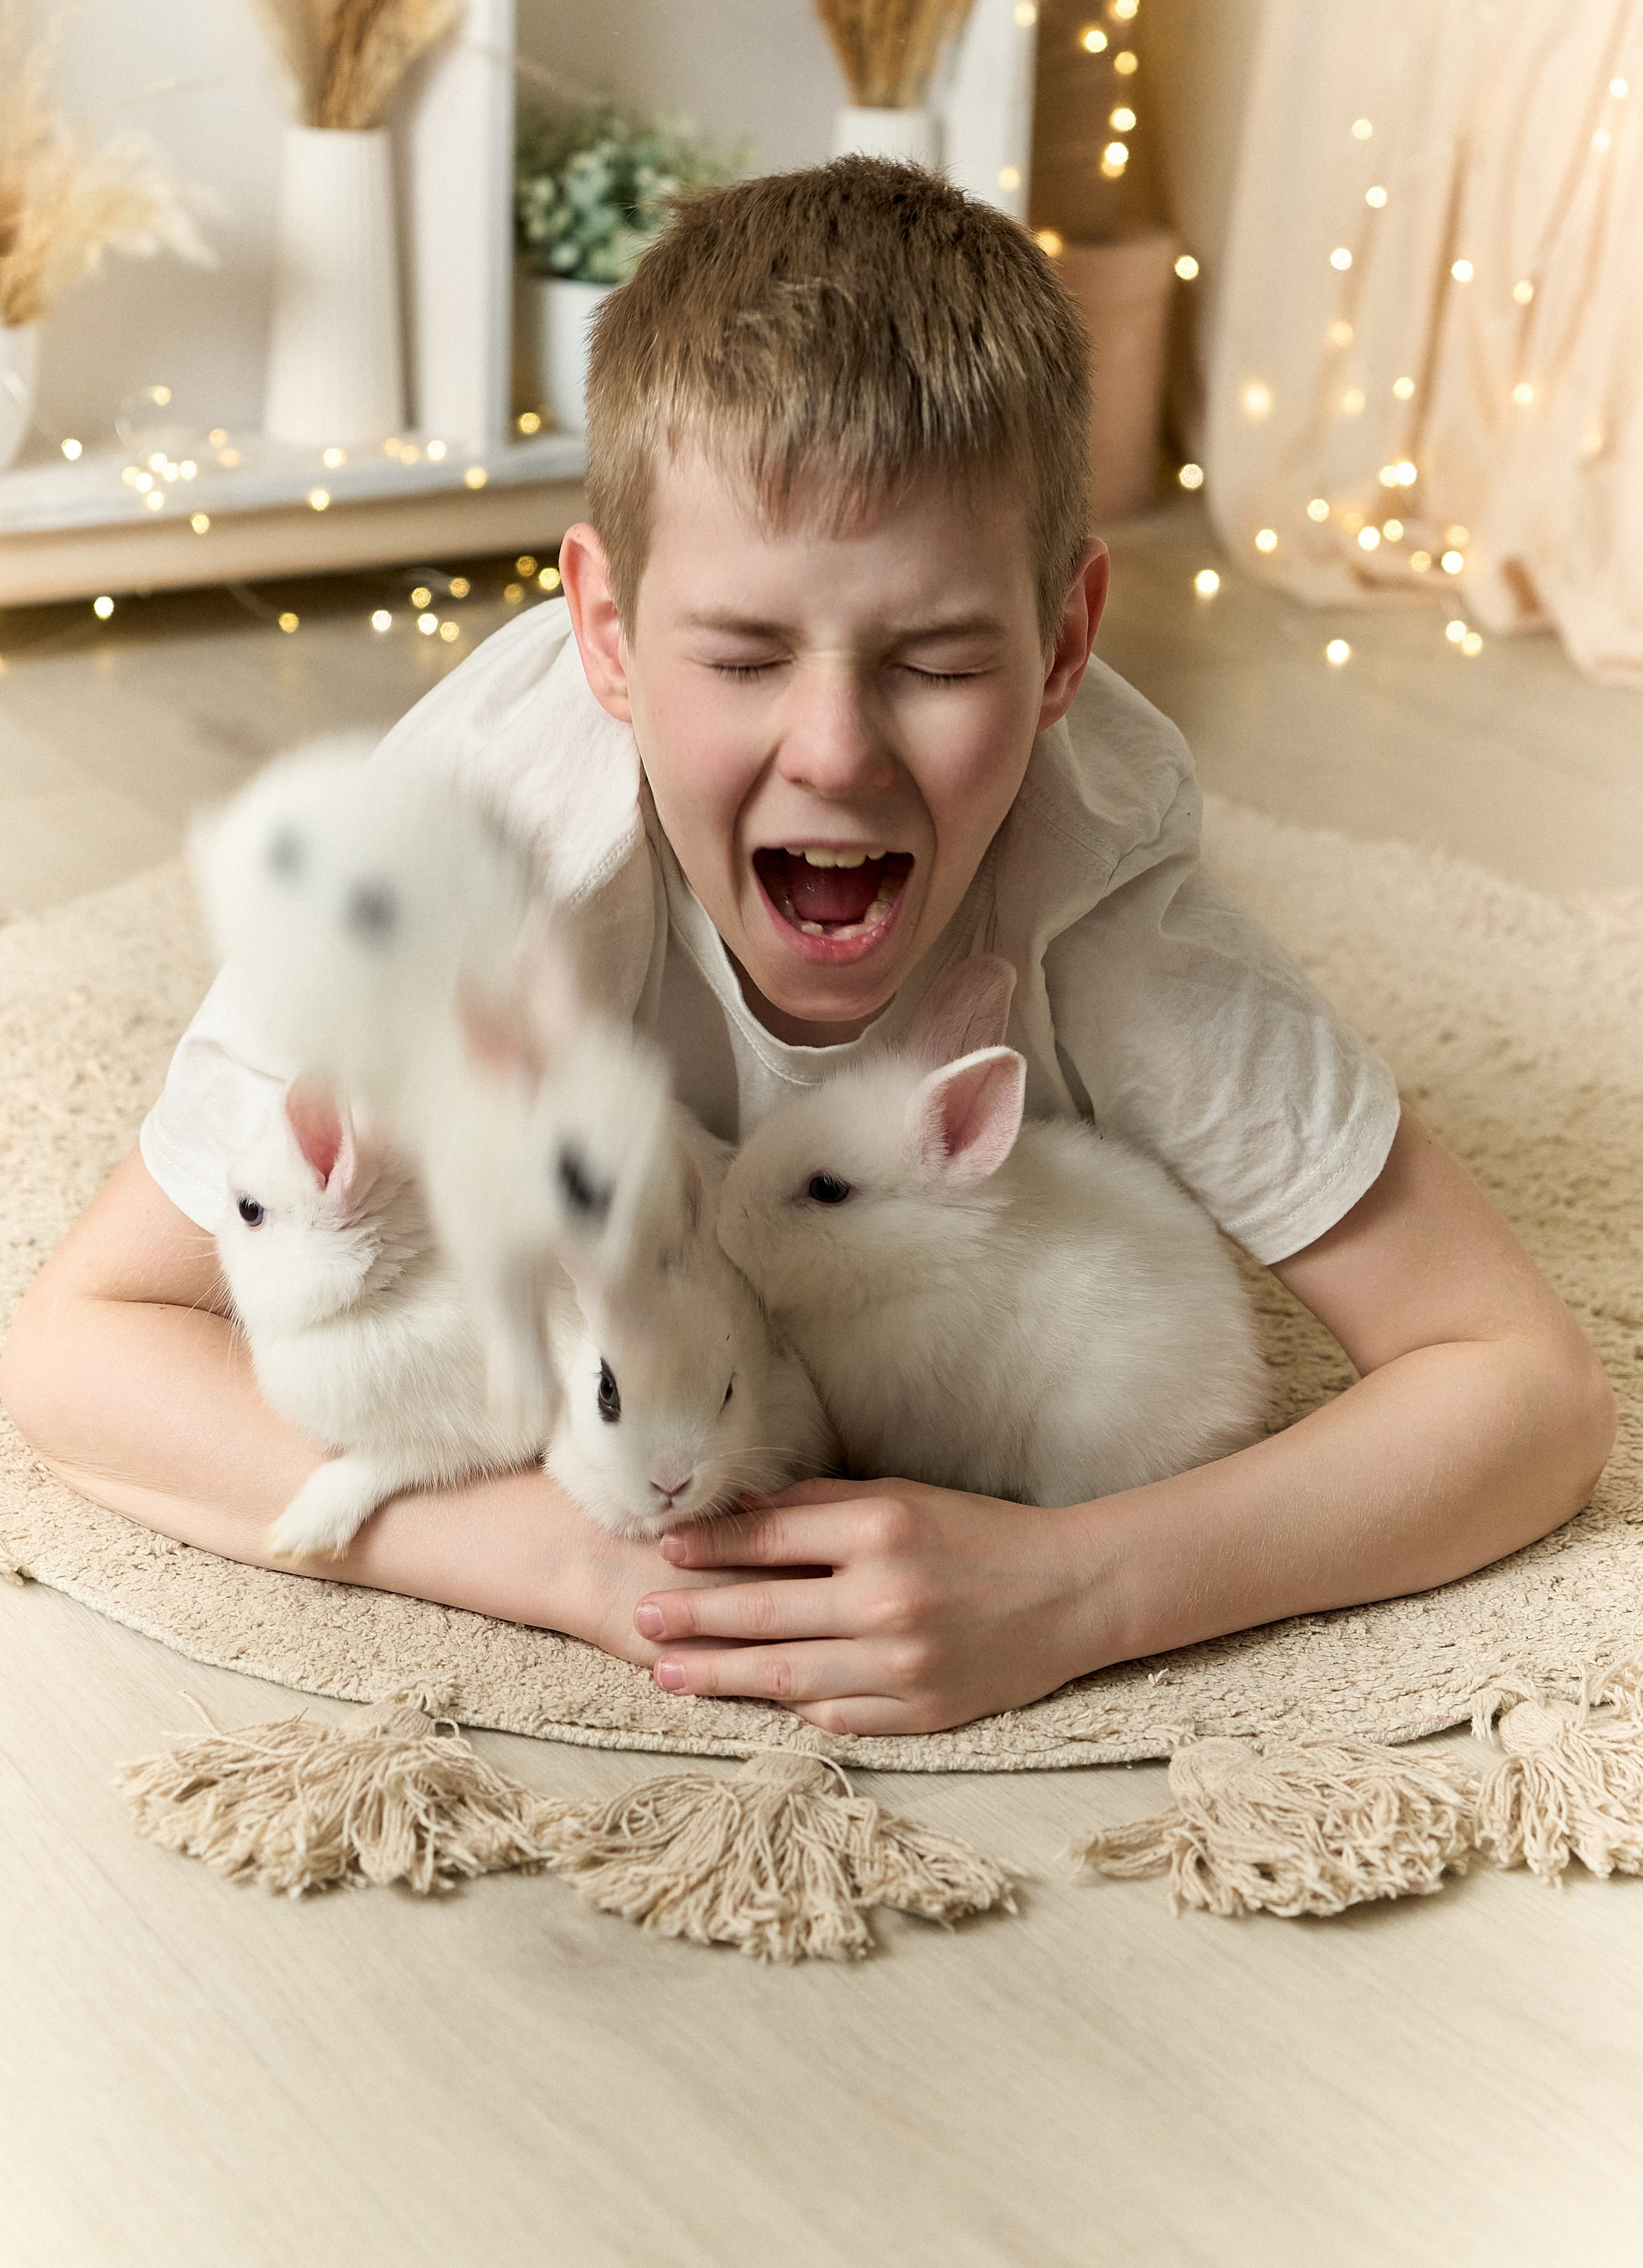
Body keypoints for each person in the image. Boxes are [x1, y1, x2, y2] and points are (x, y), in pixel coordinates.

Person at [0, 161, 1612, 1737]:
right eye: (742, 656)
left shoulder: (1101, 898)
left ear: (1061, 645)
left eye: (936, 661)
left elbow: (1525, 1391)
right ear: (608, 635)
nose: (834, 753)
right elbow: (79, 1351)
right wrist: (570, 1561)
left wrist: (1082, 1585)